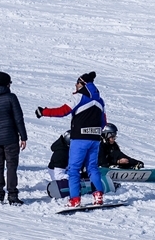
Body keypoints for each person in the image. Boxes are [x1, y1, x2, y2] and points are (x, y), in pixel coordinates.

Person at [35, 72, 106, 208]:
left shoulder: (79, 97)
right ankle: (98, 195)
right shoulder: (100, 101)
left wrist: (43, 112)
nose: (75, 85)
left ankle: (75, 199)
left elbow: (63, 111)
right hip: (95, 139)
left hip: (79, 138)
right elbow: (103, 122)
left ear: (83, 84)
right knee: (92, 167)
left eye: (77, 83)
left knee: (73, 169)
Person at [0, 71, 28, 205]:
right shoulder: (11, 97)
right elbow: (18, 118)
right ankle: (12, 194)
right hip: (10, 138)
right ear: (7, 83)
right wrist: (23, 137)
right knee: (11, 166)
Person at [47, 130, 71, 197]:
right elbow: (58, 175)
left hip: (63, 169)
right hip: (57, 174)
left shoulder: (64, 148)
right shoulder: (62, 154)